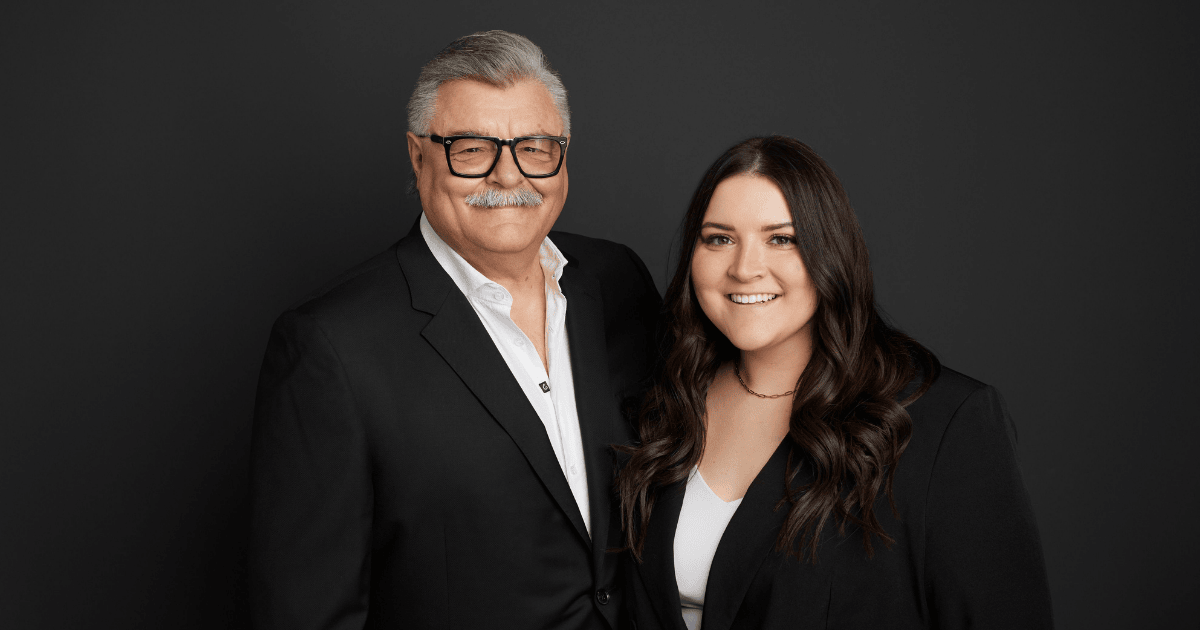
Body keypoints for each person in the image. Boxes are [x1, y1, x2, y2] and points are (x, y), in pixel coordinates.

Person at [249, 31, 660, 629]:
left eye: (535, 148)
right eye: (472, 149)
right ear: (419, 156)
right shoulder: (331, 347)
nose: (509, 176)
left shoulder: (617, 282)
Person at [616, 136, 1053, 629]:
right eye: (719, 238)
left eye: (782, 239)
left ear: (830, 252)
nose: (744, 268)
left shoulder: (945, 422)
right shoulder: (662, 402)